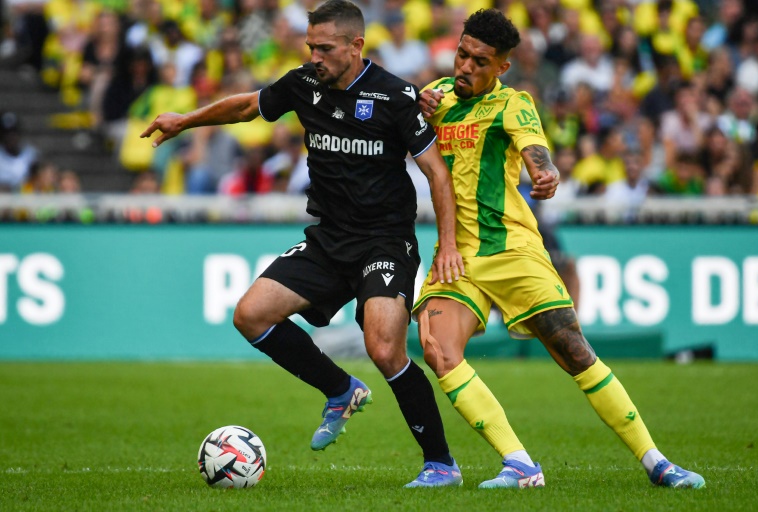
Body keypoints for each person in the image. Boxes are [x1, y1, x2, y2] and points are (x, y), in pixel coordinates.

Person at [141, 0, 465, 488]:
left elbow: (437, 173)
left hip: (384, 242)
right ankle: (339, 389)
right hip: (329, 239)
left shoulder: (397, 97)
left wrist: (446, 246)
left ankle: (441, 463)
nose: (315, 55)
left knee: (383, 348)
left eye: (325, 48)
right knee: (250, 315)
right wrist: (185, 120)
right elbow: (249, 106)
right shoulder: (304, 83)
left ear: (356, 46)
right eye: (310, 46)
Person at [415, 8, 705, 490]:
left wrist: (543, 172)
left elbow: (534, 148)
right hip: (456, 255)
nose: (464, 66)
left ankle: (657, 462)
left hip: (511, 249)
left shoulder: (514, 102)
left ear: (501, 67)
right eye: (461, 54)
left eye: (479, 61)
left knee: (573, 350)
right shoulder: (437, 98)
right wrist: (413, 109)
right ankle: (520, 465)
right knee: (437, 350)